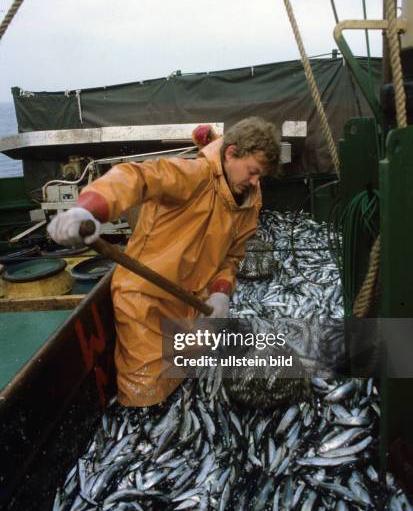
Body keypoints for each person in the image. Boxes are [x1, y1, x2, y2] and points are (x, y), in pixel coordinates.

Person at [47, 116, 281, 406]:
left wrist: (220, 293)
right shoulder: (192, 174)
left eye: (262, 176)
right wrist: (89, 210)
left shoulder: (247, 204)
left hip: (190, 304)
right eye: (253, 172)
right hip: (146, 301)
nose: (256, 182)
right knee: (143, 395)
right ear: (231, 153)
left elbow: (232, 256)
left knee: (185, 390)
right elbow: (135, 178)